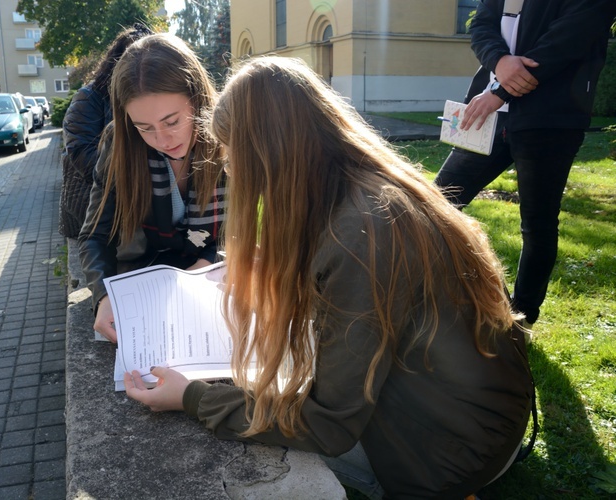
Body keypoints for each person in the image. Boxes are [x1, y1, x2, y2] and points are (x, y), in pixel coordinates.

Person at [123, 56, 535, 498]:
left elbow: (328, 425)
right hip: (471, 415)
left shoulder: (359, 235)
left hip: (449, 451)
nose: (230, 167)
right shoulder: (365, 191)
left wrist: (191, 398)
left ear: (270, 151)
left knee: (254, 437)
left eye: (232, 150)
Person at [434, 0, 616, 330]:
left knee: (537, 224)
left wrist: (501, 91)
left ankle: (520, 320)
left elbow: (565, 43)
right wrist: (498, 61)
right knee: (435, 205)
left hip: (549, 120)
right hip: (488, 116)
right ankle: (454, 295)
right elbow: (481, 25)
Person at [79, 33, 226, 343]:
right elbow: (95, 234)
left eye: (172, 121)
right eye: (144, 128)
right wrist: (104, 296)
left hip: (215, 284)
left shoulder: (231, 139)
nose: (162, 140)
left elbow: (255, 226)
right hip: (145, 280)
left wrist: (208, 262)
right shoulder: (119, 144)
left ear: (197, 97)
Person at [58, 23, 153, 239]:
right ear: (117, 62)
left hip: (140, 208)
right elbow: (81, 153)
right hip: (94, 204)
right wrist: (134, 176)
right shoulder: (89, 98)